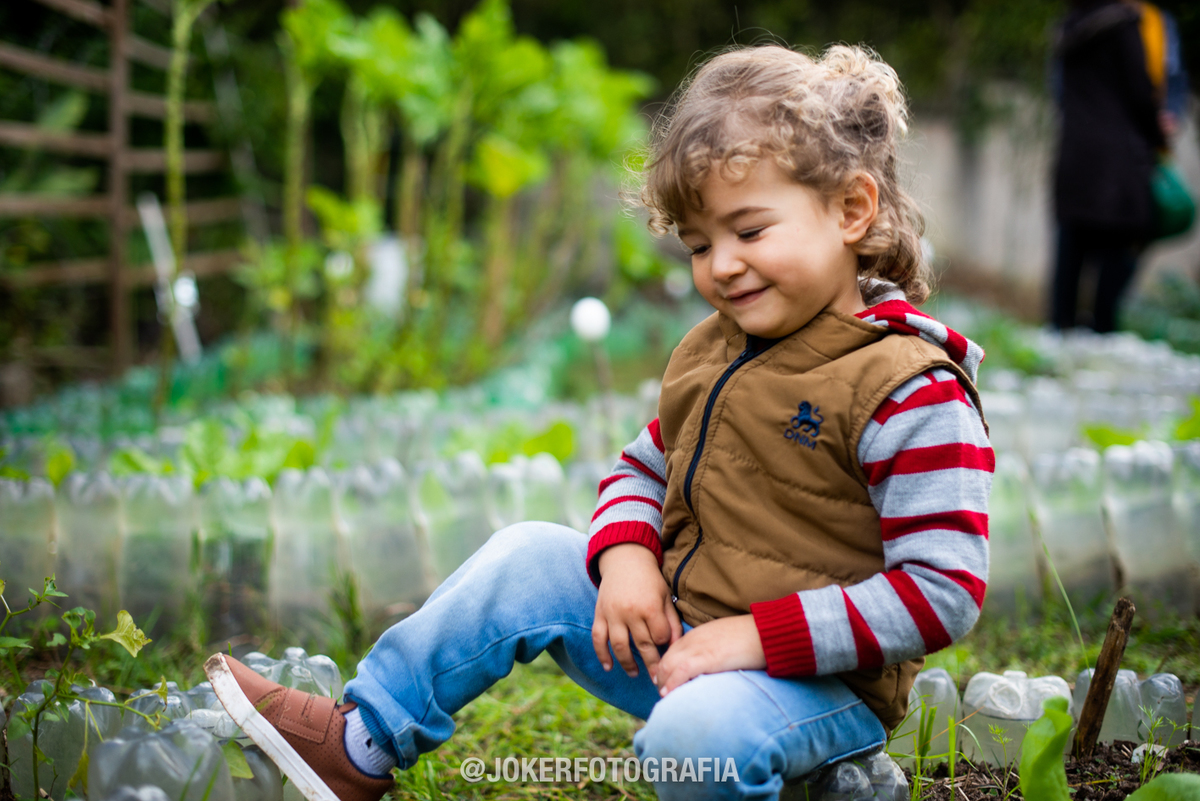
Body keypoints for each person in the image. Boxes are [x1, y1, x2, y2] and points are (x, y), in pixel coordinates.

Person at [203, 44, 994, 801]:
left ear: (852, 209)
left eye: (750, 231)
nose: (721, 264)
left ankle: (819, 767)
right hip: (686, 636)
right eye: (699, 244)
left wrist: (755, 638)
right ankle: (357, 745)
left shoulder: (908, 389)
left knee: (697, 738)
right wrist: (625, 558)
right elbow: (644, 466)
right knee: (526, 557)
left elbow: (941, 589)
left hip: (820, 685)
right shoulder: (713, 351)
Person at [1049, 0, 1168, 332]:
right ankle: (1102, 328)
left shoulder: (1069, 25)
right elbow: (1141, 93)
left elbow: (1057, 91)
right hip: (1118, 157)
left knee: (1071, 245)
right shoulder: (1125, 26)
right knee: (1119, 245)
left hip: (1074, 149)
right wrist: (1160, 135)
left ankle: (1060, 326)